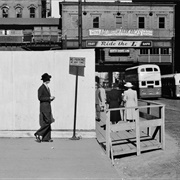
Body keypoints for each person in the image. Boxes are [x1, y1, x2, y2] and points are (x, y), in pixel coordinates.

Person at [34, 73, 55, 143]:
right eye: (48, 79)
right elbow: (40, 98)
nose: (49, 80)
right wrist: (49, 98)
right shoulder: (41, 88)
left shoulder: (46, 87)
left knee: (47, 122)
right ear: (46, 80)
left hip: (47, 107)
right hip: (44, 107)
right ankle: (38, 133)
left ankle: (46, 138)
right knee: (48, 121)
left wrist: (50, 99)